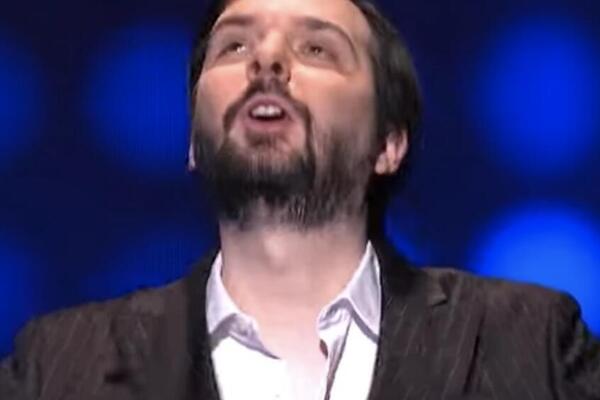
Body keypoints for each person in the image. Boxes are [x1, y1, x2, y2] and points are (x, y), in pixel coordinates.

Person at [1, 0, 599, 398]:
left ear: (387, 143)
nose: (266, 60)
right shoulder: (58, 366)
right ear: (192, 144)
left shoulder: (531, 342)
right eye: (234, 47)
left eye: (317, 50)